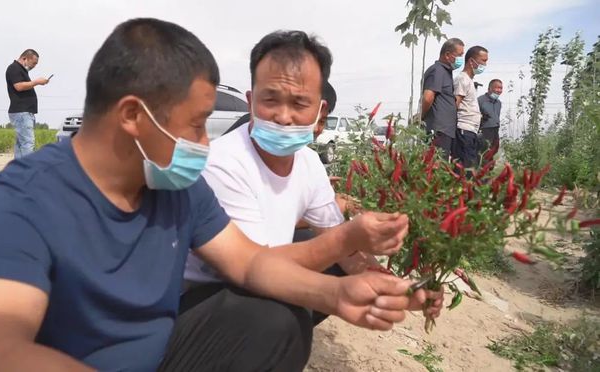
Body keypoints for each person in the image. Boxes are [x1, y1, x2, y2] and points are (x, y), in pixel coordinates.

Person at [0, 19, 438, 372]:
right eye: (198, 126)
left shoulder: (176, 189)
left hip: (166, 353)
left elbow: (250, 264)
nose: (207, 144)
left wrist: (339, 294)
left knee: (271, 319)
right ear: (134, 115)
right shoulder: (19, 202)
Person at [180, 30, 443, 350]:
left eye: (299, 103)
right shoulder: (223, 163)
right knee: (276, 318)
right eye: (270, 100)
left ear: (319, 112)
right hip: (198, 302)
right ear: (251, 101)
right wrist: (338, 284)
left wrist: (401, 292)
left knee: (328, 256)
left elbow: (346, 252)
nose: (284, 117)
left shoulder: (308, 163)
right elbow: (253, 270)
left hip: (251, 280)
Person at [421, 38, 465, 159]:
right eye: (460, 55)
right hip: (438, 130)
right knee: (436, 166)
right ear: (447, 55)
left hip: (446, 130)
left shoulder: (446, 72)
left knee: (443, 167)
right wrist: (421, 117)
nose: (461, 59)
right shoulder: (437, 70)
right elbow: (428, 98)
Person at [5, 49, 50, 158]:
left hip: (24, 112)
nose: (34, 66)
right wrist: (37, 82)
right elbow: (19, 86)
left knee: (21, 144)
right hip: (22, 112)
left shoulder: (21, 70)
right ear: (25, 58)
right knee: (28, 143)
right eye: (34, 63)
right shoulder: (14, 68)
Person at [452, 46, 489, 170]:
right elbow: (455, 105)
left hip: (471, 131)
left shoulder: (469, 81)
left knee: (470, 168)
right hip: (464, 130)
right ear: (471, 61)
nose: (485, 64)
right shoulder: (462, 79)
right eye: (483, 60)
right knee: (464, 169)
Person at [478, 79, 503, 155]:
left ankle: (490, 167)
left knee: (493, 151)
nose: (499, 90)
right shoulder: (480, 100)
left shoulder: (498, 103)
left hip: (495, 130)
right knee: (484, 153)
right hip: (484, 131)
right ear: (489, 89)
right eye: (497, 88)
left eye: (501, 88)